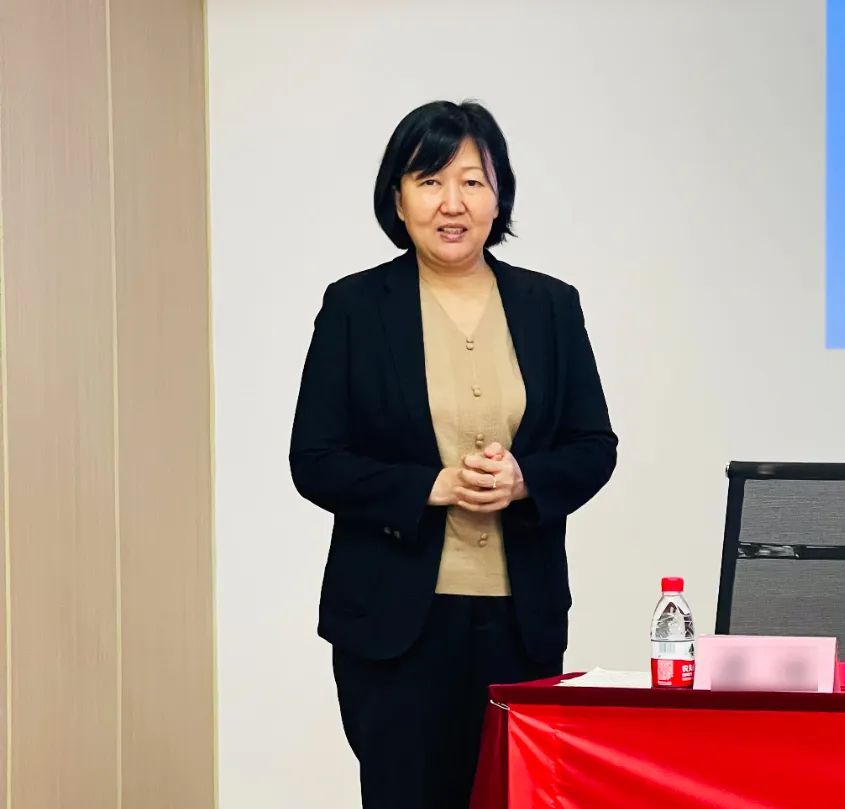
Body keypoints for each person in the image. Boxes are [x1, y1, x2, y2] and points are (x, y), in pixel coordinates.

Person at [289, 100, 617, 809]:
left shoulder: (550, 306)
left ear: (499, 196)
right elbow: (314, 458)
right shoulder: (354, 307)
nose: (452, 202)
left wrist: (525, 480)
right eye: (430, 181)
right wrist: (428, 487)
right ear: (398, 198)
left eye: (472, 181)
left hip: (520, 622)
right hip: (394, 625)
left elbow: (594, 446)